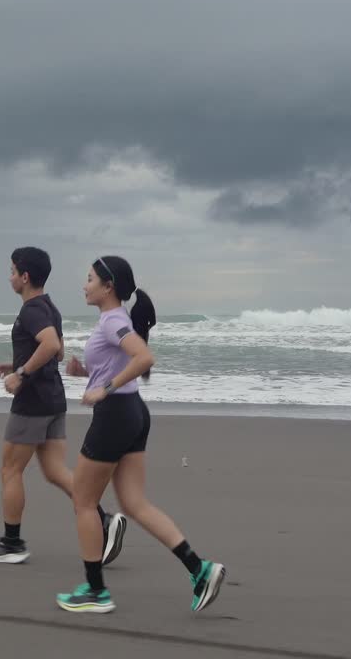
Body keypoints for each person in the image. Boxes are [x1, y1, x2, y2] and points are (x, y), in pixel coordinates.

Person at [54, 255, 225, 614]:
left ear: (108, 286)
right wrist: (84, 372)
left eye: (89, 279)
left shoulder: (113, 320)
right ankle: (199, 568)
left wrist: (105, 389)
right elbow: (119, 362)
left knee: (84, 502)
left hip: (116, 415)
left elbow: (144, 358)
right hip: (133, 413)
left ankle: (96, 591)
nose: (84, 285)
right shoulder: (112, 320)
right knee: (134, 504)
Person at [0, 247, 128, 565]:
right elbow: (56, 352)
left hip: (32, 402)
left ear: (25, 276)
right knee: (55, 471)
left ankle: (13, 543)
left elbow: (50, 346)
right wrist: (16, 362)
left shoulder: (32, 310)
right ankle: (103, 520)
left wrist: (20, 373)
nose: (10, 277)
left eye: (12, 271)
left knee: (10, 469)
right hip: (53, 399)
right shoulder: (50, 308)